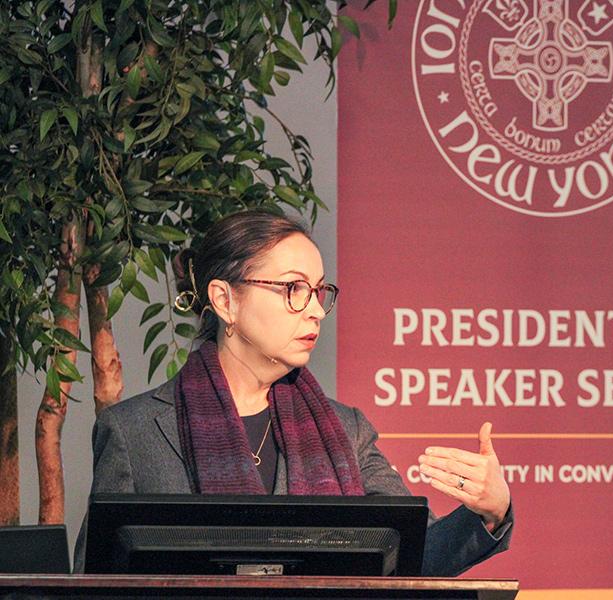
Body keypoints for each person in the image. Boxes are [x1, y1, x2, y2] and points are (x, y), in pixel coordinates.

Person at [73, 209, 512, 575]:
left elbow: (413, 558)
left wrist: (491, 511)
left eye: (320, 291)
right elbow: (93, 584)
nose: (317, 310)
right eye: (293, 289)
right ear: (225, 301)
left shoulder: (347, 429)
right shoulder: (133, 432)